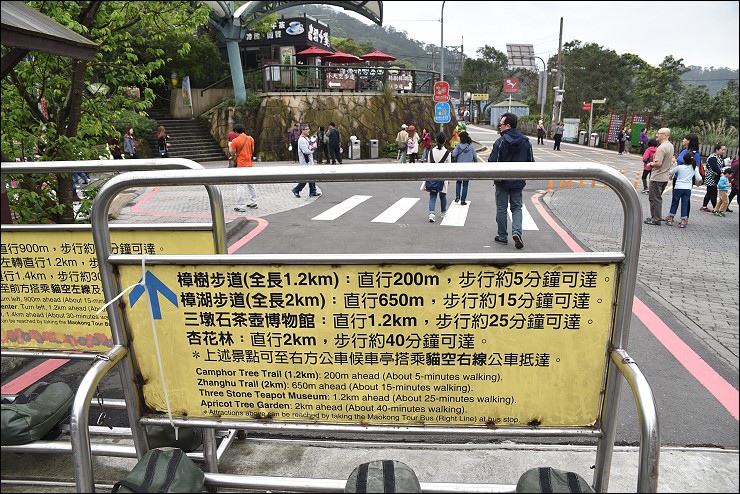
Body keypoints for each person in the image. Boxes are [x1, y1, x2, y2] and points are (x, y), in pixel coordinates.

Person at [488, 112, 534, 249]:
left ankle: (502, 236)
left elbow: (492, 162)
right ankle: (517, 232)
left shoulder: (500, 142)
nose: (499, 127)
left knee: (502, 208)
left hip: (502, 181)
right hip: (518, 180)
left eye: (501, 124)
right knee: (517, 207)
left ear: (507, 126)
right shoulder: (525, 141)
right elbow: (531, 162)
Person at [644, 127, 674, 225]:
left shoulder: (661, 148)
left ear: (665, 135)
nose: (657, 135)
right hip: (664, 176)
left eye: (659, 133)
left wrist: (650, 164)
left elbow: (658, 163)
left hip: (657, 176)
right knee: (658, 198)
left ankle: (655, 219)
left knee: (654, 199)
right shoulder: (670, 146)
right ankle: (656, 217)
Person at [664, 152, 701, 229]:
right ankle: (683, 220)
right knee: (685, 204)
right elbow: (699, 178)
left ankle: (670, 218)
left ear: (683, 160)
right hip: (687, 189)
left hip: (678, 187)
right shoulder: (694, 168)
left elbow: (670, 172)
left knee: (675, 203)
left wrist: (670, 167)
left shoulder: (679, 167)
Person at [422, 131, 451, 223]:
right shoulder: (447, 153)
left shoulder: (431, 152)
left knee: (433, 195)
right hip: (443, 177)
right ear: (444, 140)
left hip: (433, 176)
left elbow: (428, 165)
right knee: (443, 195)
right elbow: (449, 167)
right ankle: (443, 212)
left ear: (436, 140)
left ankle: (431, 214)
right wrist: (449, 180)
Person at [671, 133, 701, 220]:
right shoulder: (683, 151)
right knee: (675, 198)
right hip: (677, 178)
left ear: (689, 141)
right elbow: (678, 163)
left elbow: (697, 167)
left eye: (684, 139)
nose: (683, 140)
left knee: (685, 200)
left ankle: (685, 217)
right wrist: (673, 173)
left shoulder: (695, 154)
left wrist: (698, 180)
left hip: (687, 180)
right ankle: (671, 215)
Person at [230, 123, 257, 212]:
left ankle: (241, 206)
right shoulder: (250, 139)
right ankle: (254, 202)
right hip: (249, 164)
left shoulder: (235, 141)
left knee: (240, 185)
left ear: (236, 131)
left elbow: (232, 153)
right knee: (251, 184)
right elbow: (252, 150)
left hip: (241, 165)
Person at [292, 124, 321, 198]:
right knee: (306, 178)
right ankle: (296, 189)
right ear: (302, 130)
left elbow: (309, 146)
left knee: (312, 176)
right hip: (305, 162)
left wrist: (312, 145)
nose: (308, 130)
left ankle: (313, 191)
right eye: (307, 129)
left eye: (308, 129)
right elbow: (305, 151)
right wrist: (312, 148)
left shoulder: (306, 138)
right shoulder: (301, 140)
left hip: (309, 161)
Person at [451, 130, 478, 205]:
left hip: (459, 167)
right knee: (465, 184)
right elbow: (475, 158)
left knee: (458, 182)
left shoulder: (458, 146)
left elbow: (453, 155)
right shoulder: (471, 147)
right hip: (468, 168)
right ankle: (463, 200)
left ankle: (457, 196)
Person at [700, 143, 725, 213]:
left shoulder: (719, 157)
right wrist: (721, 174)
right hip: (711, 178)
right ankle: (715, 208)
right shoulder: (712, 158)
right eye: (722, 150)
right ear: (717, 150)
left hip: (715, 178)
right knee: (713, 193)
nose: (723, 151)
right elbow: (715, 168)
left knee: (709, 193)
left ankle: (704, 206)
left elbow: (722, 165)